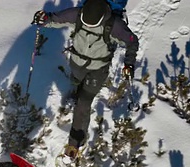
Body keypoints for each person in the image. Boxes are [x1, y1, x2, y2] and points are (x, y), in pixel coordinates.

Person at [33, 0, 139, 158]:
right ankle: (77, 89)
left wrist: (129, 64)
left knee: (83, 102)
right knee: (77, 80)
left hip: (97, 69)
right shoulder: (77, 14)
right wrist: (44, 19)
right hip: (77, 63)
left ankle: (76, 141)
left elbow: (132, 42)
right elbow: (55, 19)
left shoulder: (114, 25)